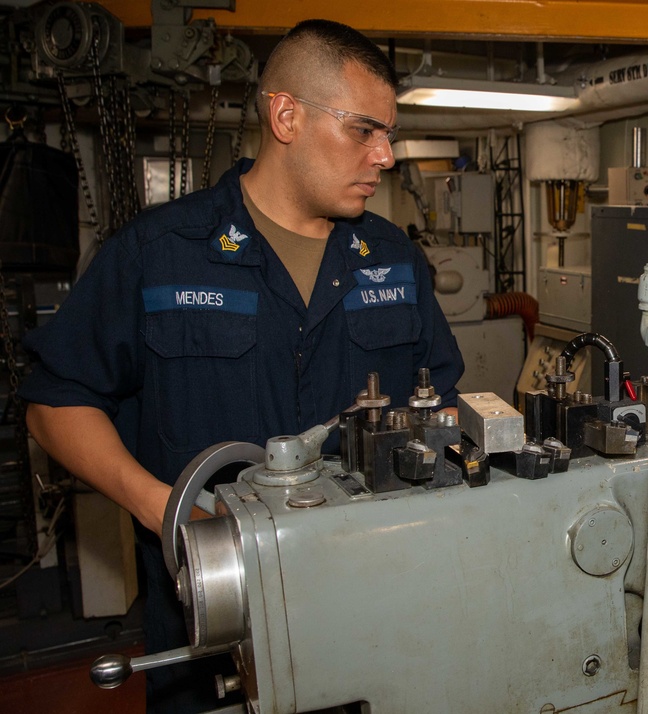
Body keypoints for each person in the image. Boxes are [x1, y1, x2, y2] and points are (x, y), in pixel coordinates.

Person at [20, 19, 464, 714]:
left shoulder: (393, 260)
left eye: (389, 134)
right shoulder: (160, 253)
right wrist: (166, 509)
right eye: (363, 130)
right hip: (212, 615)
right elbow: (55, 402)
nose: (386, 155)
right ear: (286, 115)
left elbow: (439, 402)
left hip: (369, 600)